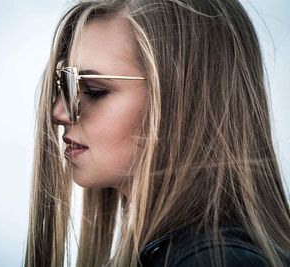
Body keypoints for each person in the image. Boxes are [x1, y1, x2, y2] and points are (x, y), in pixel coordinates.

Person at [24, 0, 290, 266]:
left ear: (184, 102)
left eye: (92, 89)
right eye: (65, 84)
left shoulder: (216, 260)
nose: (58, 113)